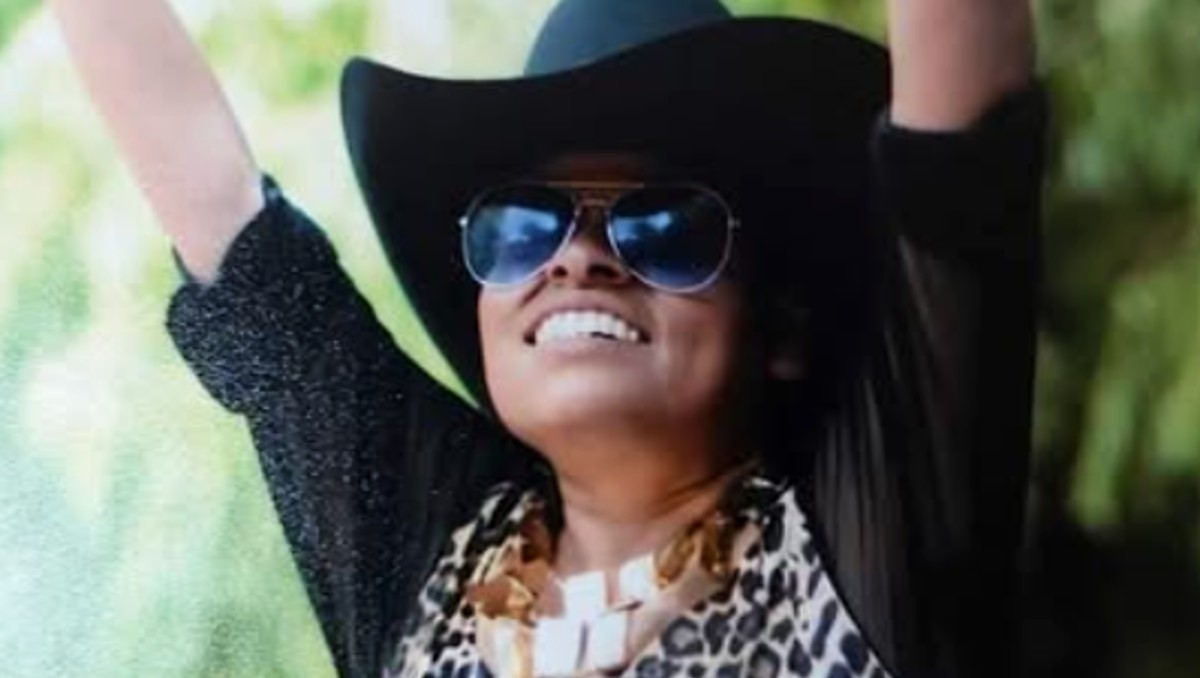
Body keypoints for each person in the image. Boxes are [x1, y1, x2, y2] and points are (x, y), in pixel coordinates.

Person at [51, 0, 1045, 676]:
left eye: (664, 227)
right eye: (520, 227)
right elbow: (237, 241)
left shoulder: (863, 551)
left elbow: (961, 166)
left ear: (780, 329)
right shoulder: (429, 560)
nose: (577, 258)